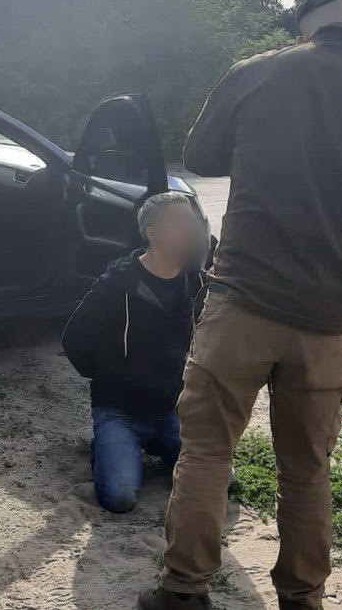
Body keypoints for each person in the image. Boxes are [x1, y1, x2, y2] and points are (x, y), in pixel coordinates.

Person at [139, 0, 342, 610]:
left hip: (241, 301)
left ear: (309, 19)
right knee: (307, 468)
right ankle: (303, 598)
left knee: (205, 452)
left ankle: (182, 592)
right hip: (329, 317)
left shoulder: (259, 71)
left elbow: (198, 156)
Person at [63, 192, 205, 514]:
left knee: (221, 478)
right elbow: (74, 338)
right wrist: (111, 376)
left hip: (170, 411)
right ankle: (109, 444)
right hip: (119, 412)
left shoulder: (194, 280)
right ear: (153, 234)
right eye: (181, 223)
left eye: (192, 222)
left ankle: (151, 446)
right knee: (120, 496)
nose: (191, 230)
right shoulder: (117, 283)